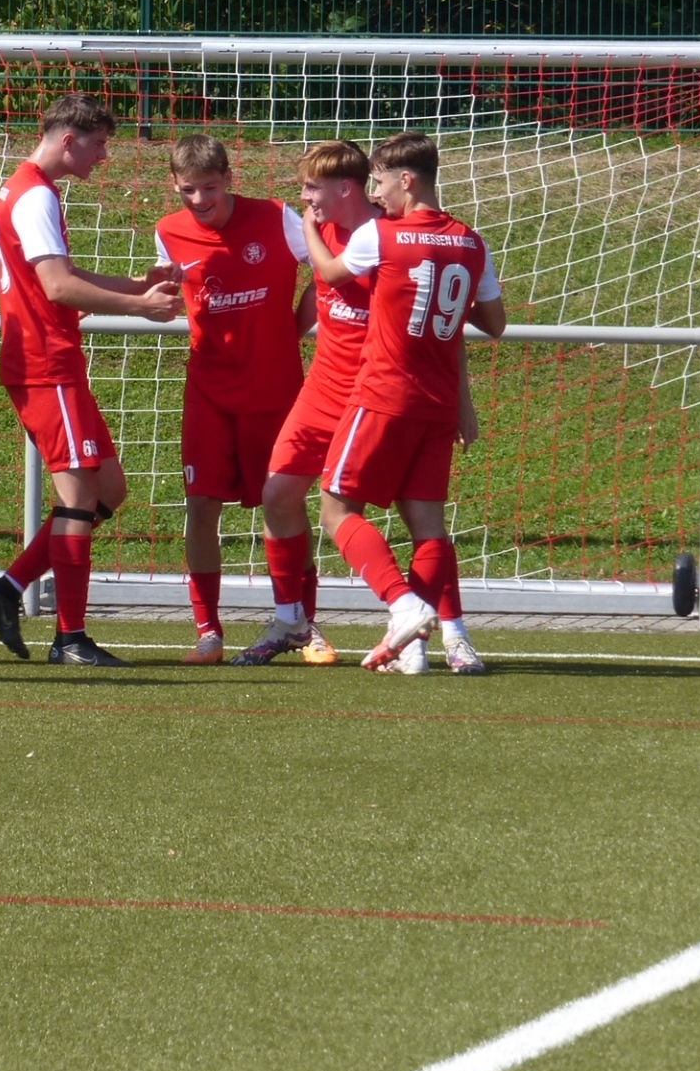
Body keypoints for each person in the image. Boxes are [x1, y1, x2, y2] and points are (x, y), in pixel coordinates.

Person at [0, 93, 183, 667]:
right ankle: (70, 638)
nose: (103, 156)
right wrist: (139, 307)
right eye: (99, 144)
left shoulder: (27, 188)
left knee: (109, 491)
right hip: (45, 364)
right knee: (80, 499)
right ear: (69, 140)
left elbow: (61, 274)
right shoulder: (35, 194)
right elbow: (59, 287)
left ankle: (7, 588)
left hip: (52, 362)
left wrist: (136, 287)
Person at [306, 131, 503, 675]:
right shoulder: (472, 244)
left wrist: (308, 228)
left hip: (383, 395)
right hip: (437, 405)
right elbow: (494, 323)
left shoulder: (381, 234)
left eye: (380, 182)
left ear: (407, 181)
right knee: (428, 526)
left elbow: (330, 273)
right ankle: (416, 648)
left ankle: (404, 604)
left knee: (336, 509)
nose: (376, 193)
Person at [149, 134, 317, 666]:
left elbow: (328, 273)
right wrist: (151, 298)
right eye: (188, 190)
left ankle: (304, 624)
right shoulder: (168, 232)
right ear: (175, 185)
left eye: (210, 188)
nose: (199, 200)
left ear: (229, 178)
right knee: (201, 507)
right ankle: (208, 633)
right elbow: (167, 299)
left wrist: (291, 332)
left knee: (284, 505)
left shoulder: (278, 217)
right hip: (209, 392)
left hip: (275, 390)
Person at [239, 140, 379, 668]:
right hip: (322, 388)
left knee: (354, 514)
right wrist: (288, 336)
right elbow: (320, 287)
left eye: (311, 187)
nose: (304, 197)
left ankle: (422, 621)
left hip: (371, 394)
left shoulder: (386, 234)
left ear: (345, 189)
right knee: (278, 493)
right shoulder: (320, 230)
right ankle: (290, 620)